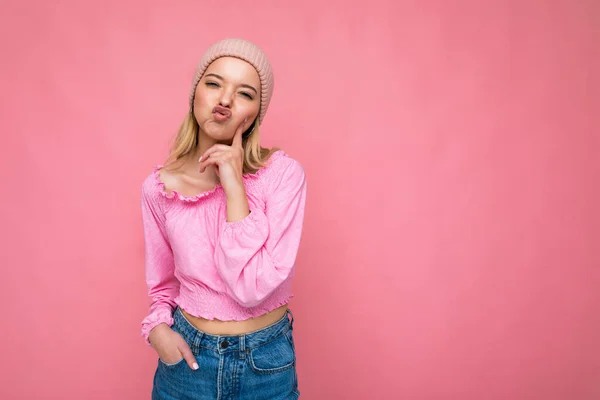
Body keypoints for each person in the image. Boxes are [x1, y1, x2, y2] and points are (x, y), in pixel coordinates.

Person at [140, 38, 306, 399]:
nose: (225, 100)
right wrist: (157, 329)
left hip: (265, 366)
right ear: (195, 94)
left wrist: (234, 186)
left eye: (244, 93)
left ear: (256, 112)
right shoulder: (159, 188)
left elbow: (252, 289)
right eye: (214, 83)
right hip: (186, 364)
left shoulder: (282, 175)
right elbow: (162, 284)